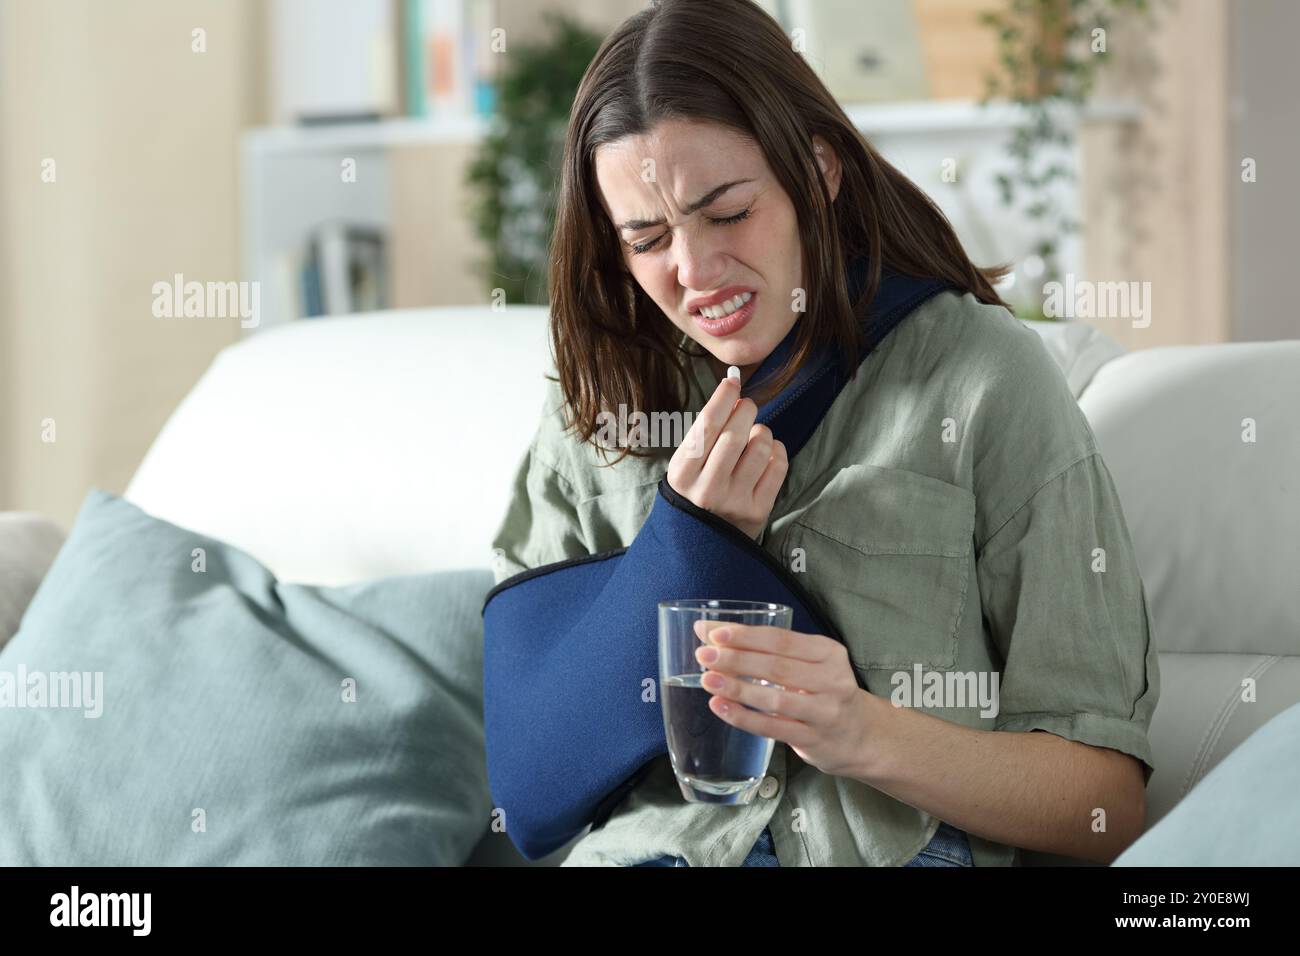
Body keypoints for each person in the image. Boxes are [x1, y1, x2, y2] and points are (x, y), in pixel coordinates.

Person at [483, 0, 1159, 867]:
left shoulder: (983, 379)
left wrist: (864, 734)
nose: (694, 272)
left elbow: (1105, 807)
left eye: (726, 212)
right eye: (647, 238)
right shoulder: (599, 402)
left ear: (820, 170)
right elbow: (531, 784)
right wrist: (686, 546)